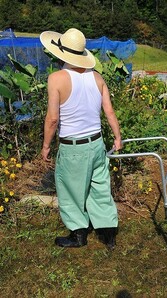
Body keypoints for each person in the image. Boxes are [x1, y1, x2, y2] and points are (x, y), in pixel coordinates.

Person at [40, 28, 122, 249]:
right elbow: (110, 112)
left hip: (73, 147)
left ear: (61, 53)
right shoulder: (97, 78)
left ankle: (78, 234)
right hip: (96, 144)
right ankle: (108, 233)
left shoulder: (56, 79)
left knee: (70, 190)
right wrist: (117, 137)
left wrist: (46, 146)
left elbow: (52, 119)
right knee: (100, 188)